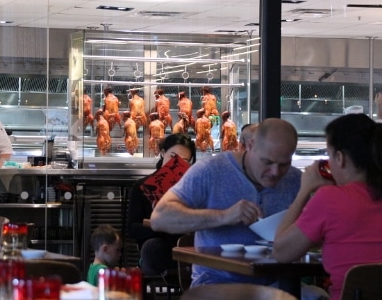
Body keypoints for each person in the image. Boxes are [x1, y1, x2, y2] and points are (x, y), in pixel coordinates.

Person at [150, 118, 302, 287]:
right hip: (217, 282)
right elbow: (160, 218)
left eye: (284, 165)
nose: (275, 172)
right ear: (250, 146)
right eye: (267, 162)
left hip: (279, 282)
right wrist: (224, 216)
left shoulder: (296, 180)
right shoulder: (211, 170)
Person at [272, 114, 382, 300]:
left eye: (329, 154)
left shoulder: (330, 199)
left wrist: (304, 191)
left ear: (340, 158)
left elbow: (281, 252)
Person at [127, 133, 197, 276]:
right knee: (152, 248)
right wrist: (158, 223)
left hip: (186, 246)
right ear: (163, 153)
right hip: (158, 247)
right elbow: (132, 228)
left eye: (184, 161)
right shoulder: (143, 186)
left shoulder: (193, 189)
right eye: (173, 157)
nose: (176, 165)